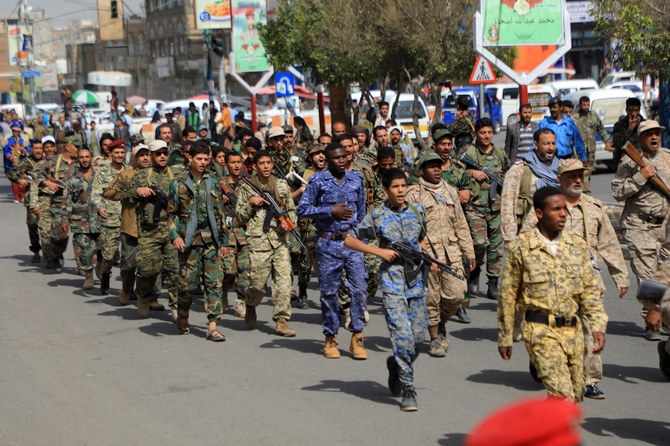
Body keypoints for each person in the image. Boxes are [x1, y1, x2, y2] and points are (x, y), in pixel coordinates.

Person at [498, 186, 608, 401]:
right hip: (540, 330)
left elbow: (590, 290)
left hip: (572, 331)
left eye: (564, 209)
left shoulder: (576, 245)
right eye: (556, 209)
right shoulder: (522, 246)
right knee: (562, 396)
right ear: (539, 213)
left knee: (575, 396)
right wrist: (505, 336)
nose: (563, 215)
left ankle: (540, 432)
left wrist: (597, 326)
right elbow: (508, 294)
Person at [344, 168, 429, 411]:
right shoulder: (378, 216)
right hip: (392, 281)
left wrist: (424, 254)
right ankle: (408, 387)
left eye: (404, 186)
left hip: (416, 281)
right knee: (402, 335)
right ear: (385, 190)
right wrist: (379, 252)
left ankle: (396, 364)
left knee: (418, 337)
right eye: (395, 187)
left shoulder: (416, 211)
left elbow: (421, 238)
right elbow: (350, 239)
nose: (401, 190)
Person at [551, 159, 628, 399]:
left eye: (580, 176)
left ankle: (590, 379)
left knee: (594, 328)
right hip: (558, 280)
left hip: (590, 280)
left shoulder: (594, 207)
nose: (577, 180)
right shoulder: (549, 207)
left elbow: (608, 242)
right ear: (559, 179)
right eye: (571, 176)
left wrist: (620, 276)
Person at [297, 142, 368, 359]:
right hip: (328, 243)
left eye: (344, 156)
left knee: (359, 289)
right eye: (336, 158)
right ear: (327, 160)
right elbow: (303, 209)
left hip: (352, 242)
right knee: (329, 292)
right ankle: (330, 337)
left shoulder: (356, 179)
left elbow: (363, 212)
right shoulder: (317, 181)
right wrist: (330, 210)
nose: (342, 160)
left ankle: (357, 336)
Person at [406, 152, 474, 358]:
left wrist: (468, 251)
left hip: (451, 252)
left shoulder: (451, 192)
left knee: (457, 293)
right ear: (422, 170)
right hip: (427, 255)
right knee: (431, 298)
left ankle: (441, 322)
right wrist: (420, 251)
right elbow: (409, 226)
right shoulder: (413, 194)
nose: (436, 169)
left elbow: (460, 223)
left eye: (438, 166)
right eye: (431, 166)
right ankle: (434, 337)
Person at [612, 119, 670, 340]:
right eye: (649, 134)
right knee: (648, 276)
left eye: (657, 133)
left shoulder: (667, 157)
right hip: (639, 226)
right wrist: (640, 177)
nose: (654, 137)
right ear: (641, 138)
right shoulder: (629, 161)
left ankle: (662, 315)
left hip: (664, 227)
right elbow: (618, 192)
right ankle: (651, 320)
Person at [167, 140, 228, 340]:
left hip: (211, 239)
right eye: (199, 159)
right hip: (188, 240)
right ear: (190, 158)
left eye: (206, 159)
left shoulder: (213, 181)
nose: (203, 162)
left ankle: (212, 325)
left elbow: (220, 214)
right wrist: (175, 236)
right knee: (187, 285)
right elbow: (170, 215)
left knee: (214, 283)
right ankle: (183, 315)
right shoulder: (178, 183)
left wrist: (224, 241)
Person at [235, 151, 297, 337]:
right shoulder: (247, 187)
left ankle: (281, 320)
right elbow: (240, 216)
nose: (266, 166)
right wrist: (250, 204)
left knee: (284, 282)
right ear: (255, 166)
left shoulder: (281, 185)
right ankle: (251, 303)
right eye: (262, 163)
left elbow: (292, 209)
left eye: (269, 162)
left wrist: (288, 222)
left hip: (280, 240)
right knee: (257, 283)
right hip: (259, 240)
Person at [124, 140, 178, 317]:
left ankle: (176, 307)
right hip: (149, 232)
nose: (162, 156)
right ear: (152, 156)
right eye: (158, 153)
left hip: (172, 230)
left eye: (165, 153)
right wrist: (137, 191)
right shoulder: (141, 176)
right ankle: (143, 296)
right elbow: (124, 195)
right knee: (147, 270)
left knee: (174, 270)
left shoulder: (177, 174)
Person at [463, 118, 510, 300]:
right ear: (477, 134)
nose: (486, 136)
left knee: (496, 247)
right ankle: (474, 275)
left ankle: (493, 283)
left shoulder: (499, 152)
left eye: (489, 132)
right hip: (476, 206)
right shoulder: (470, 153)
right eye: (483, 132)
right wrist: (471, 173)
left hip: (496, 207)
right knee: (479, 243)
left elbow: (507, 172)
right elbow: (457, 172)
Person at [103, 142, 153, 306]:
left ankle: (148, 297)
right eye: (141, 155)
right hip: (131, 227)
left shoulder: (158, 175)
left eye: (147, 154)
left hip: (152, 228)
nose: (145, 158)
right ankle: (126, 289)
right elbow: (109, 192)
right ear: (135, 157)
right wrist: (133, 193)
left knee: (152, 265)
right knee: (129, 264)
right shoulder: (126, 175)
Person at [500, 128, 560, 244]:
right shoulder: (520, 169)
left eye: (553, 143)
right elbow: (508, 204)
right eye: (546, 144)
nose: (551, 148)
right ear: (536, 145)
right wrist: (510, 238)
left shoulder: (562, 169)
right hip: (528, 236)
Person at [34, 135, 79, 272]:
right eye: (76, 146)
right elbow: (36, 172)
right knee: (60, 234)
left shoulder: (81, 161)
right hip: (59, 204)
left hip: (79, 204)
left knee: (81, 235)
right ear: (68, 147)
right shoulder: (54, 161)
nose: (78, 149)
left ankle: (83, 265)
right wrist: (47, 182)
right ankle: (55, 255)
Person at [60, 147, 100, 290]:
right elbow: (67, 201)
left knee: (103, 248)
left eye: (87, 157)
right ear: (78, 159)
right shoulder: (72, 180)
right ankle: (88, 276)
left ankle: (100, 265)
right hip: (80, 220)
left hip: (100, 219)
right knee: (84, 250)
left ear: (91, 158)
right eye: (81, 157)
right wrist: (65, 219)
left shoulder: (100, 176)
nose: (84, 160)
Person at [91, 139, 127, 295]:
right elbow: (95, 195)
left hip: (128, 219)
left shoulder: (130, 171)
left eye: (122, 152)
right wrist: (100, 207)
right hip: (110, 220)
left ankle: (127, 287)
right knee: (108, 255)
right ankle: (105, 276)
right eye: (116, 153)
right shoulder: (102, 173)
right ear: (110, 154)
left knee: (129, 256)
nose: (119, 155)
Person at [218, 151, 250, 318]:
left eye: (239, 162)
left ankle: (241, 301)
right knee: (228, 271)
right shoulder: (219, 183)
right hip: (227, 234)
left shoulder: (248, 184)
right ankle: (223, 292)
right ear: (226, 164)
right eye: (233, 162)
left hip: (245, 233)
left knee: (245, 270)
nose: (236, 165)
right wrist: (219, 198)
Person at [7, 138, 44, 262]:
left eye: (40, 148)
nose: (38, 151)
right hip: (31, 199)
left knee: (48, 227)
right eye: (36, 148)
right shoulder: (26, 162)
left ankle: (51, 253)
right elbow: (11, 173)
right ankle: (36, 251)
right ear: (32, 149)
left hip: (47, 199)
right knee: (33, 225)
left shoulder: (49, 161)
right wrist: (20, 180)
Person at [573, 96, 612, 191]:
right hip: (578, 151)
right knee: (579, 170)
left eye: (588, 105)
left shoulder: (594, 116)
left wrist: (607, 142)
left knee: (589, 170)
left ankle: (585, 188)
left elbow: (601, 130)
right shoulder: (575, 118)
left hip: (590, 149)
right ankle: (583, 190)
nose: (586, 107)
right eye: (584, 105)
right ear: (580, 105)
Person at [538, 97, 586, 161]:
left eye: (554, 107)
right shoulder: (544, 124)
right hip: (549, 161)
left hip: (567, 159)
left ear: (561, 108)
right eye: (550, 108)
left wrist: (583, 157)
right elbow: (536, 142)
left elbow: (578, 141)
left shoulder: (569, 123)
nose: (552, 109)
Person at [611, 97, 645, 168]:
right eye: (630, 110)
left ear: (639, 110)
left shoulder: (645, 124)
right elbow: (618, 145)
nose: (633, 113)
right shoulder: (619, 125)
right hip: (624, 163)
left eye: (636, 110)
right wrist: (630, 129)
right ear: (626, 110)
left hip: (642, 162)